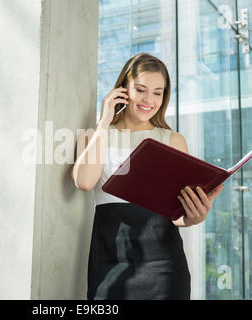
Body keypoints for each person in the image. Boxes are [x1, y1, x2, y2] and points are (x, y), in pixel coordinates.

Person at [72, 52, 224, 300]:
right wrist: (103, 123)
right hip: (108, 256)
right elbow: (84, 182)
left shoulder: (172, 140)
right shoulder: (93, 136)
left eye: (158, 92)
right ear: (123, 90)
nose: (149, 100)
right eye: (141, 89)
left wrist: (195, 217)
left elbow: (177, 216)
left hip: (162, 264)